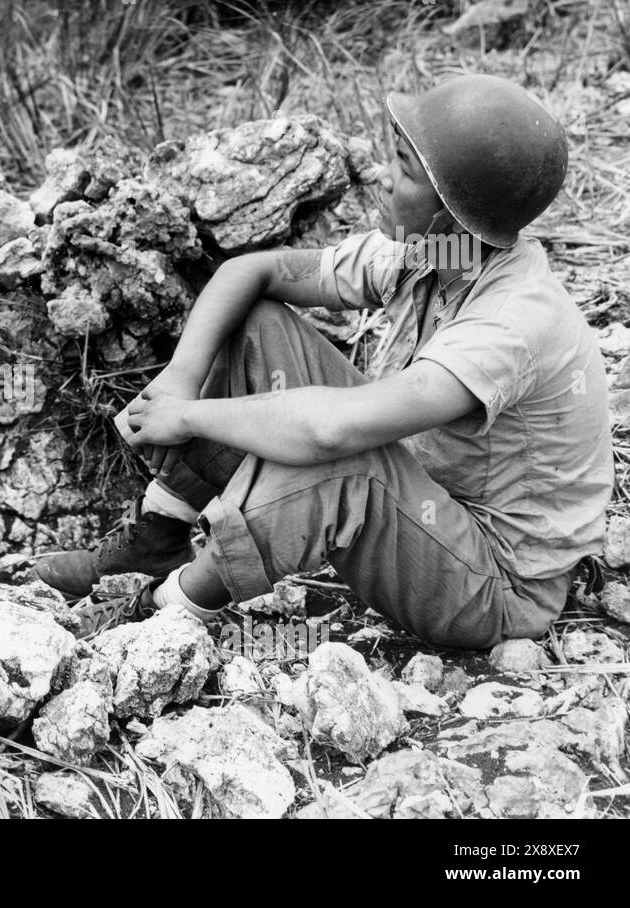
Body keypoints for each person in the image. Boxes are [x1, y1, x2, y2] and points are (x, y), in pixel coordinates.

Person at [36, 74, 613, 649]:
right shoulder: (440, 252)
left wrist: (187, 418)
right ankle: (159, 533)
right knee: (256, 321)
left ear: (455, 214)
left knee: (339, 459)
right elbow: (251, 273)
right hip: (431, 507)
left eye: (405, 171)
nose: (385, 178)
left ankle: (163, 613)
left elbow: (330, 432)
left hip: (495, 588)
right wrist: (177, 384)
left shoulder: (512, 322)